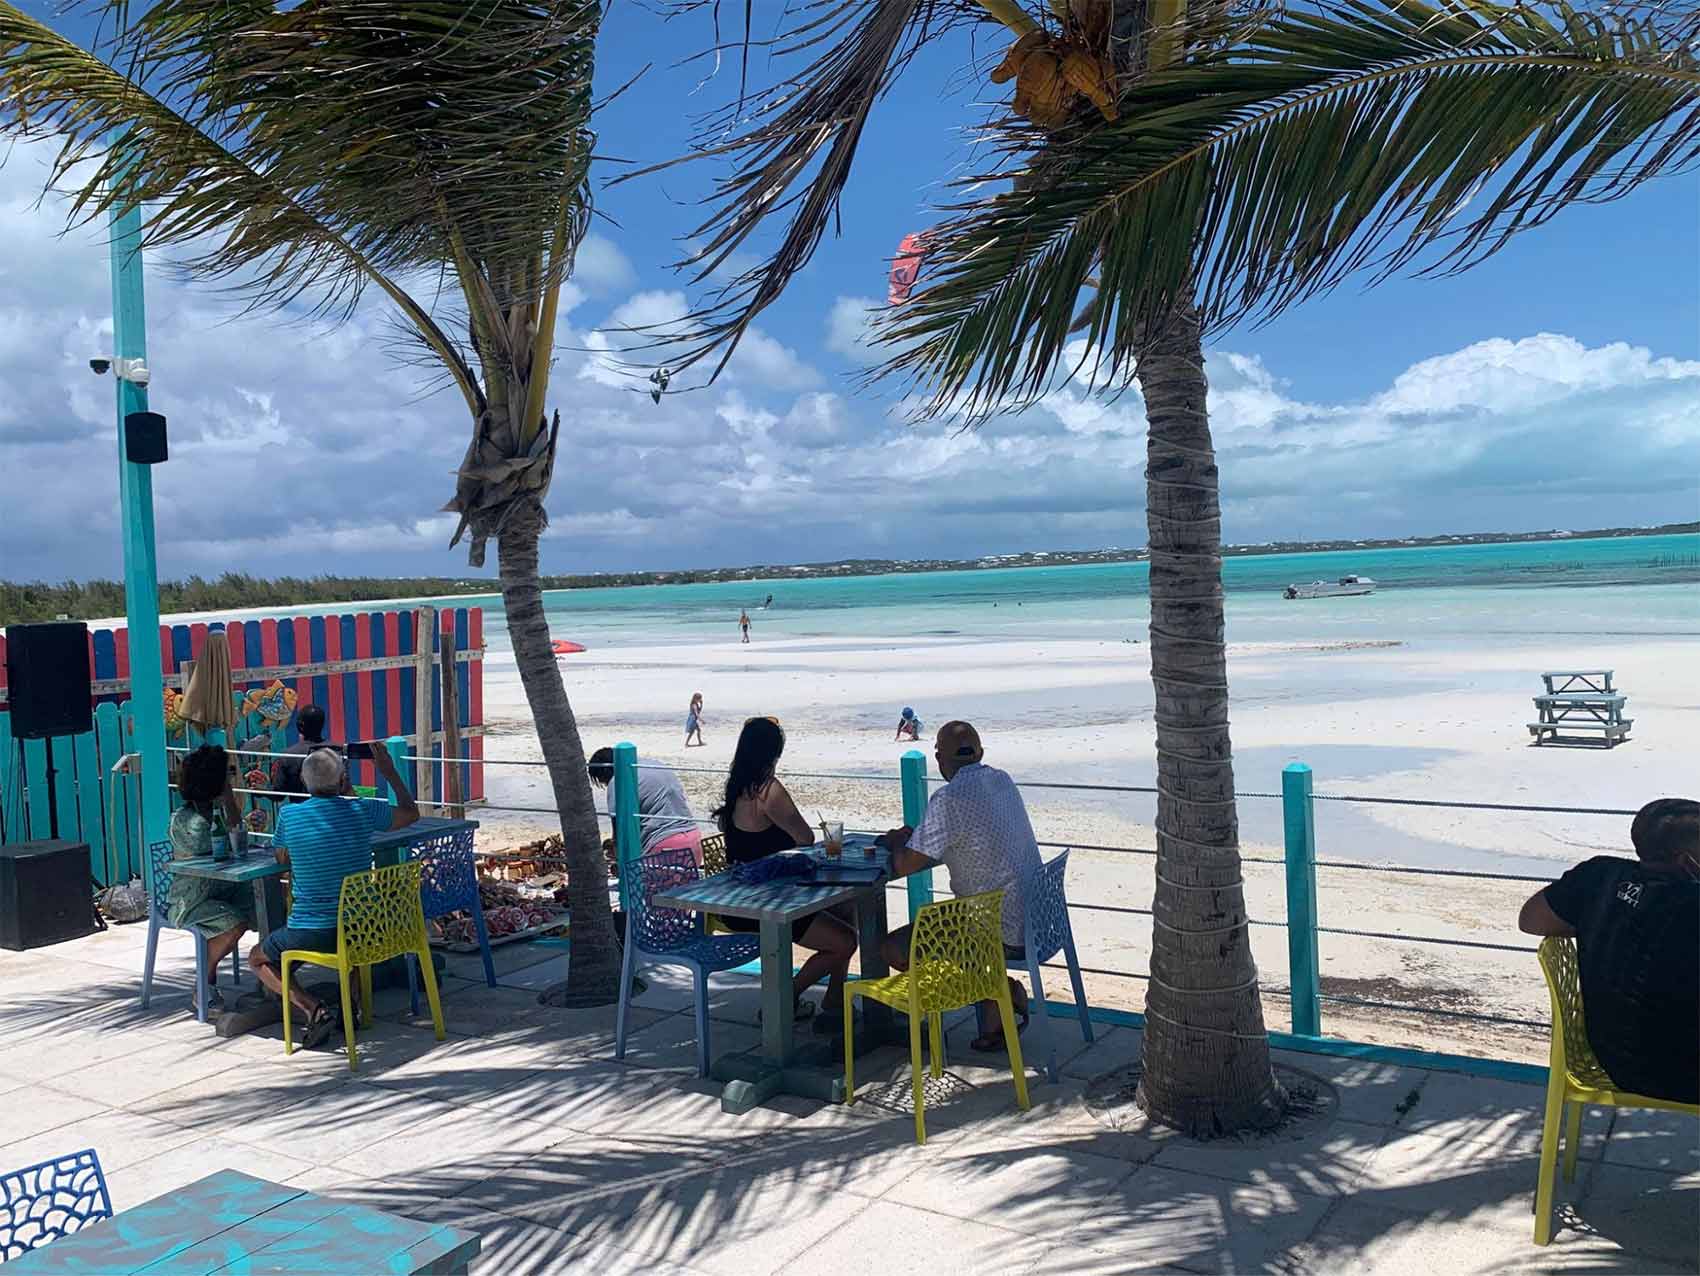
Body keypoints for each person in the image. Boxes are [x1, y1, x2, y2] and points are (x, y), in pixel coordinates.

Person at [1517, 797, 1698, 1103]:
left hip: (1611, 1060)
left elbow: (1531, 919)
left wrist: (1604, 917)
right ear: (1685, 860)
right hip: (1681, 1077)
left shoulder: (1599, 876)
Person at [877, 721, 1039, 1052]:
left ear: (940, 759)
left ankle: (1004, 991)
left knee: (894, 948)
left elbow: (904, 864)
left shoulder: (948, 799)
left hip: (994, 928)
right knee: (959, 921)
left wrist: (896, 841)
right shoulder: (1003, 780)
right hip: (1038, 920)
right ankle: (997, 1008)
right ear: (980, 753)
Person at [249, 741, 419, 1048]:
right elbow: (410, 813)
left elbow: (281, 858)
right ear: (343, 780)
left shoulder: (289, 816)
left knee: (258, 958)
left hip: (308, 932)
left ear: (304, 781)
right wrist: (389, 773)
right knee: (348, 931)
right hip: (362, 930)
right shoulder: (362, 810)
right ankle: (350, 1006)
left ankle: (312, 1008)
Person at [713, 716, 856, 1029]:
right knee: (846, 942)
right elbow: (805, 838)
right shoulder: (768, 791)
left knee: (847, 908)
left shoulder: (738, 786)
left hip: (747, 895)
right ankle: (783, 999)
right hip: (767, 904)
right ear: (774, 753)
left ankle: (834, 999)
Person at [167, 745, 255, 1009]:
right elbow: (214, 852)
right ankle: (203, 983)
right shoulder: (186, 819)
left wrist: (228, 800)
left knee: (266, 910)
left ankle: (272, 981)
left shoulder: (217, 810)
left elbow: (239, 838)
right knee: (236, 923)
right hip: (192, 900)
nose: (230, 779)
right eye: (225, 775)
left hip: (222, 891)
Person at [588, 747, 699, 856]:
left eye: (603, 781)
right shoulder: (652, 764)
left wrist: (616, 852)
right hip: (694, 840)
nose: (606, 785)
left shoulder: (618, 780)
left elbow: (620, 830)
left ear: (605, 771)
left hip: (664, 847)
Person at [272, 703, 333, 800]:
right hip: (330, 811)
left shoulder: (288, 756)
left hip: (301, 812)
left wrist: (259, 790)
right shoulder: (336, 751)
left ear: (300, 725)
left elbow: (278, 795)